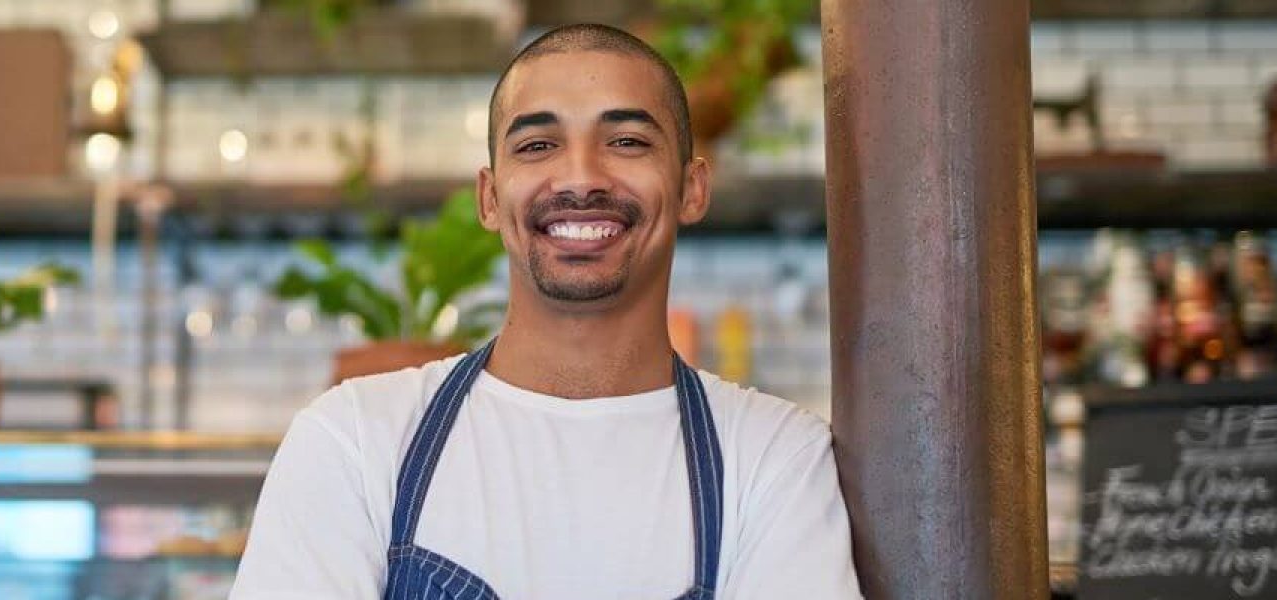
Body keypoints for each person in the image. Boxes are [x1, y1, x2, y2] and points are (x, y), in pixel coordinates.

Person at [231, 23, 861, 599]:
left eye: (626, 140)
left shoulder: (773, 457)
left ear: (692, 188)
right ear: (488, 196)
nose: (581, 176)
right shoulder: (356, 440)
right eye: (537, 145)